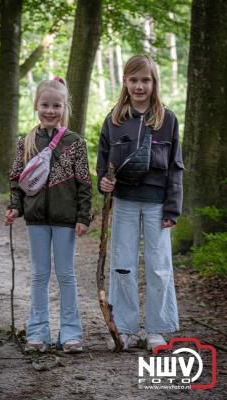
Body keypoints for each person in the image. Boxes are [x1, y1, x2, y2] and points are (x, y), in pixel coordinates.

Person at [96, 55, 184, 351]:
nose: (139, 86)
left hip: (158, 205)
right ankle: (126, 328)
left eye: (145, 80)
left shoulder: (167, 119)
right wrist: (103, 182)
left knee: (159, 267)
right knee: (123, 266)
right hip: (124, 203)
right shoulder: (114, 119)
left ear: (154, 82)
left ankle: (157, 330)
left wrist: (173, 207)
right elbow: (102, 164)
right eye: (133, 80)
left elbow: (176, 166)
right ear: (125, 82)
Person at [5, 77, 92, 354]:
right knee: (39, 275)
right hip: (36, 219)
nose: (50, 111)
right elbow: (17, 178)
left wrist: (83, 216)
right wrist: (15, 206)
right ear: (36, 105)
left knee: (66, 275)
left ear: (64, 107)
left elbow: (84, 183)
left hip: (66, 220)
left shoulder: (75, 142)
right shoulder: (27, 141)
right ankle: (37, 332)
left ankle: (71, 334)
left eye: (56, 105)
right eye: (45, 105)